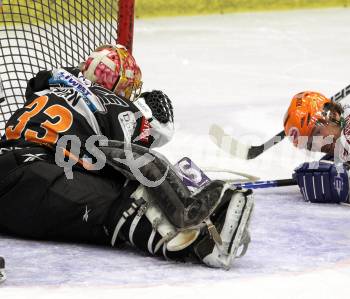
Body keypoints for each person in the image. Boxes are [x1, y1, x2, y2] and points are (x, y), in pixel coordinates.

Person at [0, 44, 254, 270]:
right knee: (128, 197)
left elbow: (39, 83)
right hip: (36, 178)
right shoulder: (115, 104)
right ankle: (199, 244)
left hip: (10, 174)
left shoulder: (47, 88)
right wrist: (180, 197)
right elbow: (131, 158)